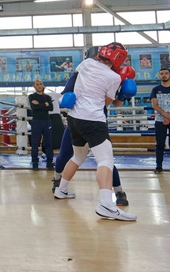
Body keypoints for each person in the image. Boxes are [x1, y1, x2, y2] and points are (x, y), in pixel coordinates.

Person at [53, 42, 136, 221]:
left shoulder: (85, 64)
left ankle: (61, 190)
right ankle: (106, 204)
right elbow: (108, 103)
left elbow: (74, 82)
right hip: (93, 120)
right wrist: (123, 92)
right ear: (119, 58)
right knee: (105, 159)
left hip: (74, 119)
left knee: (77, 156)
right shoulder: (113, 77)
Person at [28, 79, 54, 171]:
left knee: (48, 143)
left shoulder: (47, 97)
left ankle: (49, 162)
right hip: (36, 122)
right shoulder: (31, 96)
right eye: (37, 84)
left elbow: (51, 108)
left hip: (47, 121)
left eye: (41, 84)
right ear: (34, 86)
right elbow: (34, 108)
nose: (39, 86)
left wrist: (40, 105)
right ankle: (35, 162)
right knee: (35, 143)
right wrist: (45, 105)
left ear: (43, 85)